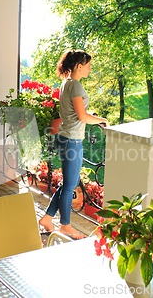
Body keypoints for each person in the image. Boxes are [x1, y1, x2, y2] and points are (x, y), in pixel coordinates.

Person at [38, 49, 108, 239]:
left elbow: (74, 112)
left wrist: (90, 116)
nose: (90, 69)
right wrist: (103, 120)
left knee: (68, 183)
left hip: (65, 137)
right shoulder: (75, 86)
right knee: (69, 185)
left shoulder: (66, 84)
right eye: (88, 65)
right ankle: (65, 225)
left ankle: (47, 218)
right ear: (79, 66)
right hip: (71, 140)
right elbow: (82, 116)